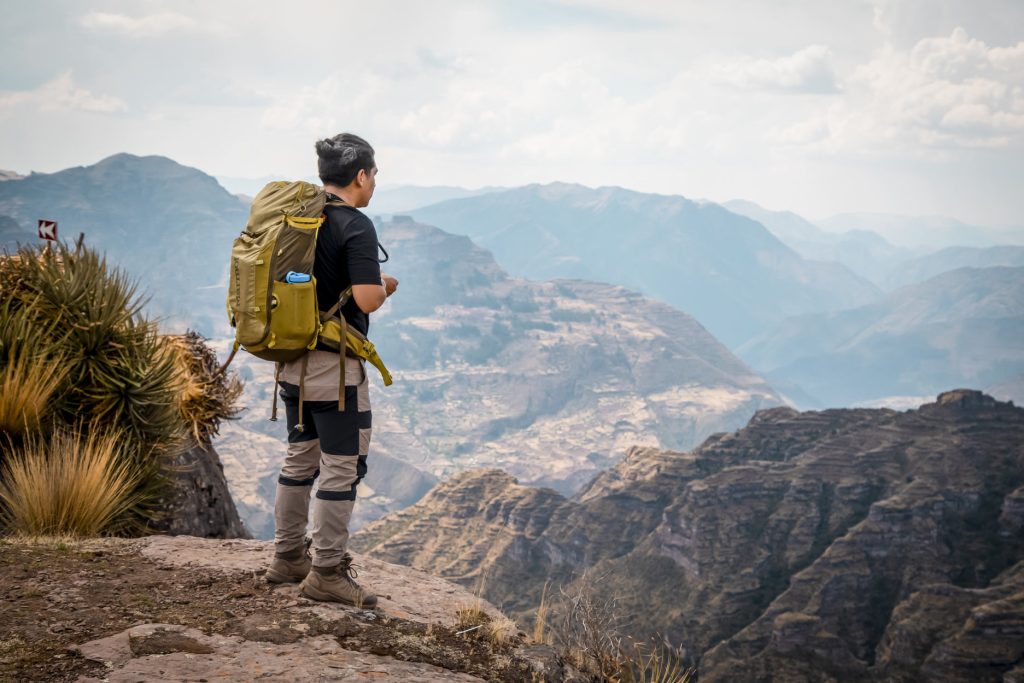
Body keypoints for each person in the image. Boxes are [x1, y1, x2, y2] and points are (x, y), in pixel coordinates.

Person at [265, 133, 398, 608]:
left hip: (290, 360)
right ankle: (325, 572)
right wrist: (386, 287)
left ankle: (286, 558)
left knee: (299, 459)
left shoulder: (296, 218)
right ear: (361, 175)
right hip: (335, 370)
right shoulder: (355, 226)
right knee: (341, 467)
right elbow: (365, 299)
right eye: (375, 173)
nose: (375, 181)